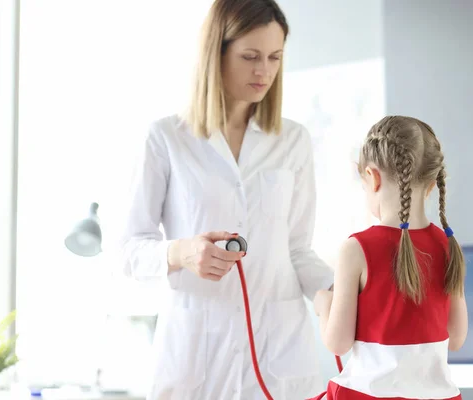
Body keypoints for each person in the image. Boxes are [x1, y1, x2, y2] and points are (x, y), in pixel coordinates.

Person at [119, 0, 334, 398]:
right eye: (250, 56)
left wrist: (334, 292)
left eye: (275, 57)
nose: (264, 71)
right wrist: (183, 252)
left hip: (278, 360)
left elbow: (297, 250)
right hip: (195, 362)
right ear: (215, 53)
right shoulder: (166, 138)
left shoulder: (293, 141)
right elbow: (129, 250)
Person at [311, 116, 468, 400]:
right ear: (433, 184)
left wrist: (324, 305)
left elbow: (337, 342)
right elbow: (456, 338)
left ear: (372, 178)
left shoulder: (356, 249)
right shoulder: (446, 245)